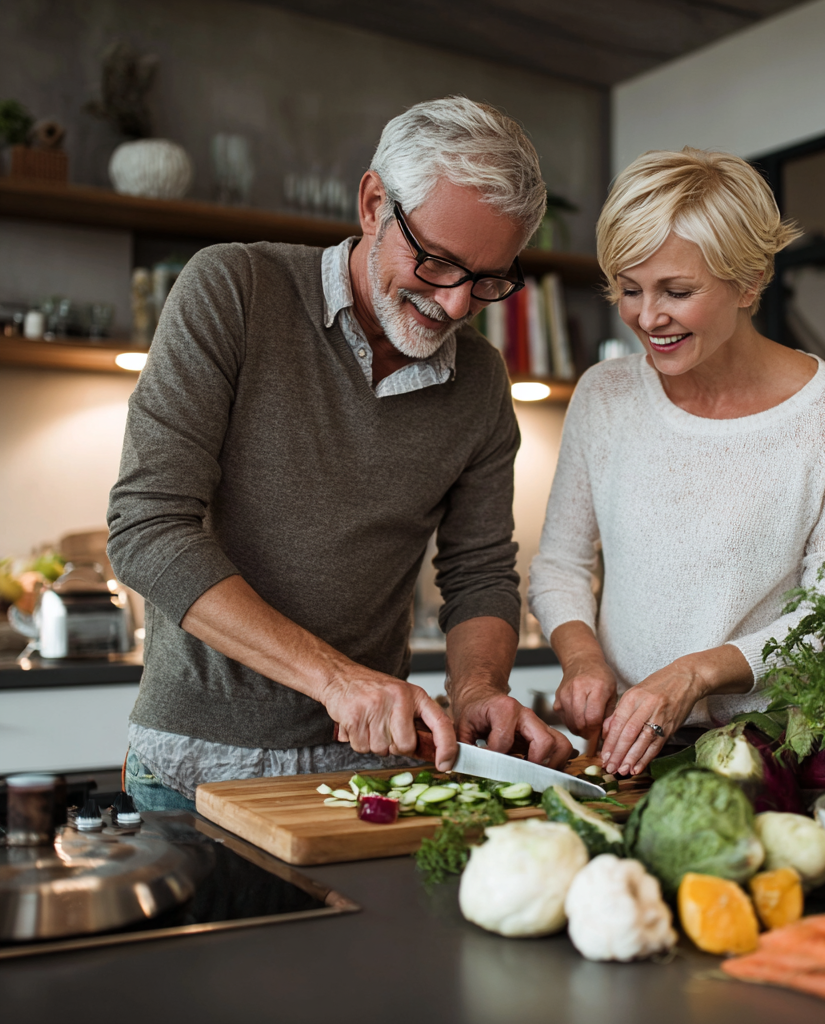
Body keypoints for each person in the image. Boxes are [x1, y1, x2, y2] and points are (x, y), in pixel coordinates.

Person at [108, 97, 573, 811]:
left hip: (371, 767)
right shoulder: (235, 289)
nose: (454, 306)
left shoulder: (479, 379)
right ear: (373, 203)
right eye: (439, 263)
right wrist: (336, 679)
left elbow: (478, 572)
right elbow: (147, 529)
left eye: (487, 281)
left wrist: (479, 687)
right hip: (192, 764)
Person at [528, 147, 825, 778]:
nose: (647, 316)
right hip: (622, 748)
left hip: (769, 754)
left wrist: (694, 674)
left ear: (749, 281)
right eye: (630, 289)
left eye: (677, 291)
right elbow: (560, 562)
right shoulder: (605, 395)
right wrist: (582, 658)